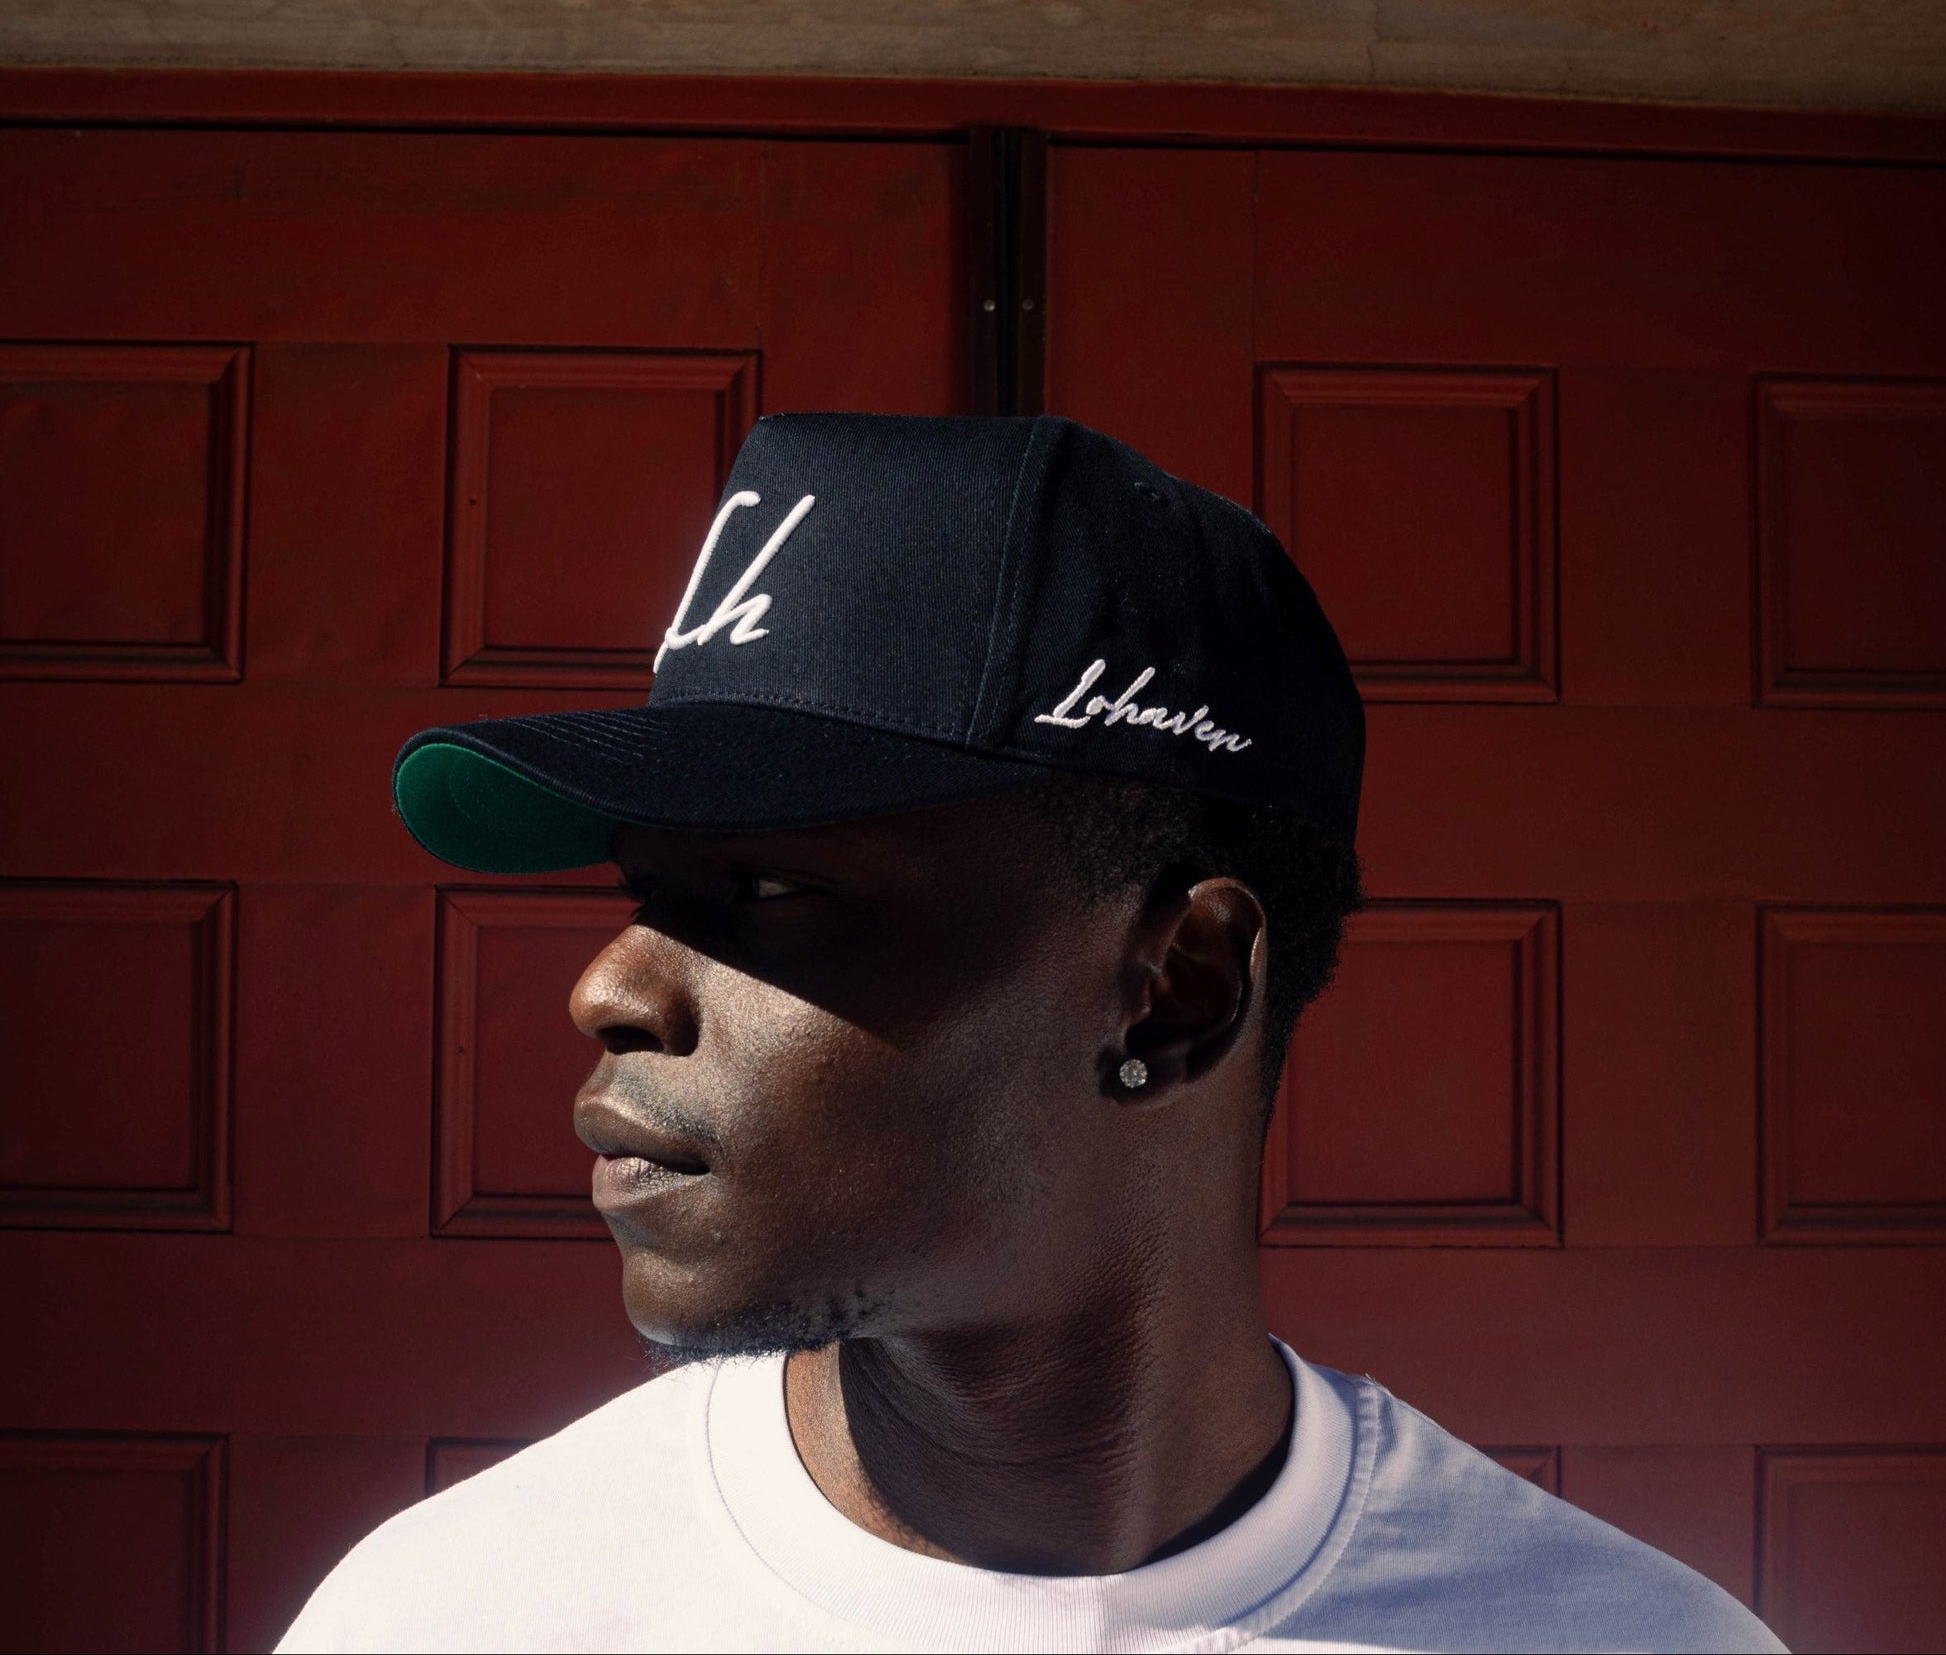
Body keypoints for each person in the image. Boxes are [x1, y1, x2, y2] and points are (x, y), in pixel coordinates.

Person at [278, 414, 1784, 1653]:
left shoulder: (1619, 1634)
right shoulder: (454, 1615)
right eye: (647, 890)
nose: (609, 986)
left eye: (778, 888)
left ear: (1177, 983)